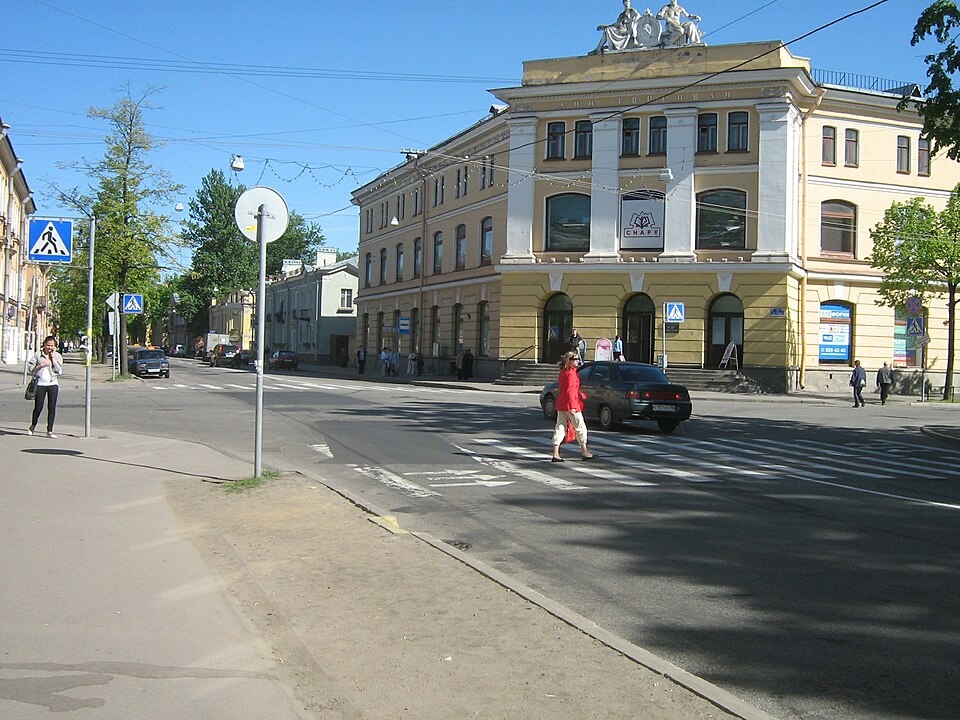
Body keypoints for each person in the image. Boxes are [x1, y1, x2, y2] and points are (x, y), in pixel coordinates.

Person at [551, 351, 594, 462]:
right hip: (571, 404)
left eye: (577, 358)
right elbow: (569, 391)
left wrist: (579, 394)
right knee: (580, 427)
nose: (577, 360)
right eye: (575, 359)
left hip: (561, 404)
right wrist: (573, 406)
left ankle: (555, 453)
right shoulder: (570, 374)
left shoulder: (563, 372)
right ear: (569, 361)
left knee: (560, 427)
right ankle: (585, 452)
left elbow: (565, 389)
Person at [27, 335, 63, 438]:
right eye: (48, 345)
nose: (50, 348)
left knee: (52, 408)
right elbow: (30, 368)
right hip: (40, 384)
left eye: (52, 346)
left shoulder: (57, 356)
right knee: (38, 407)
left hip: (53, 383)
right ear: (44, 345)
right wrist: (40, 365)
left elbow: (59, 371)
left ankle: (50, 431)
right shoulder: (38, 355)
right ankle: (33, 425)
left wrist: (53, 359)